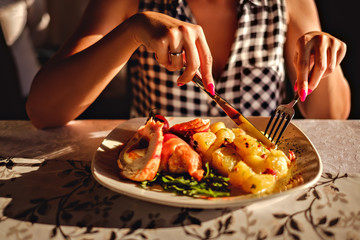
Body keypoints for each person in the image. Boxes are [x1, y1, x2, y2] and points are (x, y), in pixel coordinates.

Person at [26, 0, 351, 129]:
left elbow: (332, 118)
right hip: (157, 187)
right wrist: (132, 30)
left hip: (264, 189)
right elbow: (43, 110)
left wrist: (325, 59)